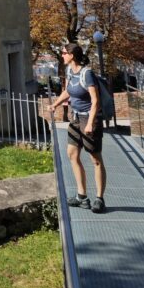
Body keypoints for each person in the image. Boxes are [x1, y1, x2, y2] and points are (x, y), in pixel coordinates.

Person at [49, 43, 107, 214]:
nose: (62, 55)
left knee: (95, 159)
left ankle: (99, 198)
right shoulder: (69, 72)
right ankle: (82, 196)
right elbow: (68, 91)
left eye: (64, 53)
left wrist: (89, 123)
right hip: (75, 117)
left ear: (72, 55)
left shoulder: (86, 74)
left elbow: (95, 101)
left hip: (89, 118)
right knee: (72, 154)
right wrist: (55, 104)